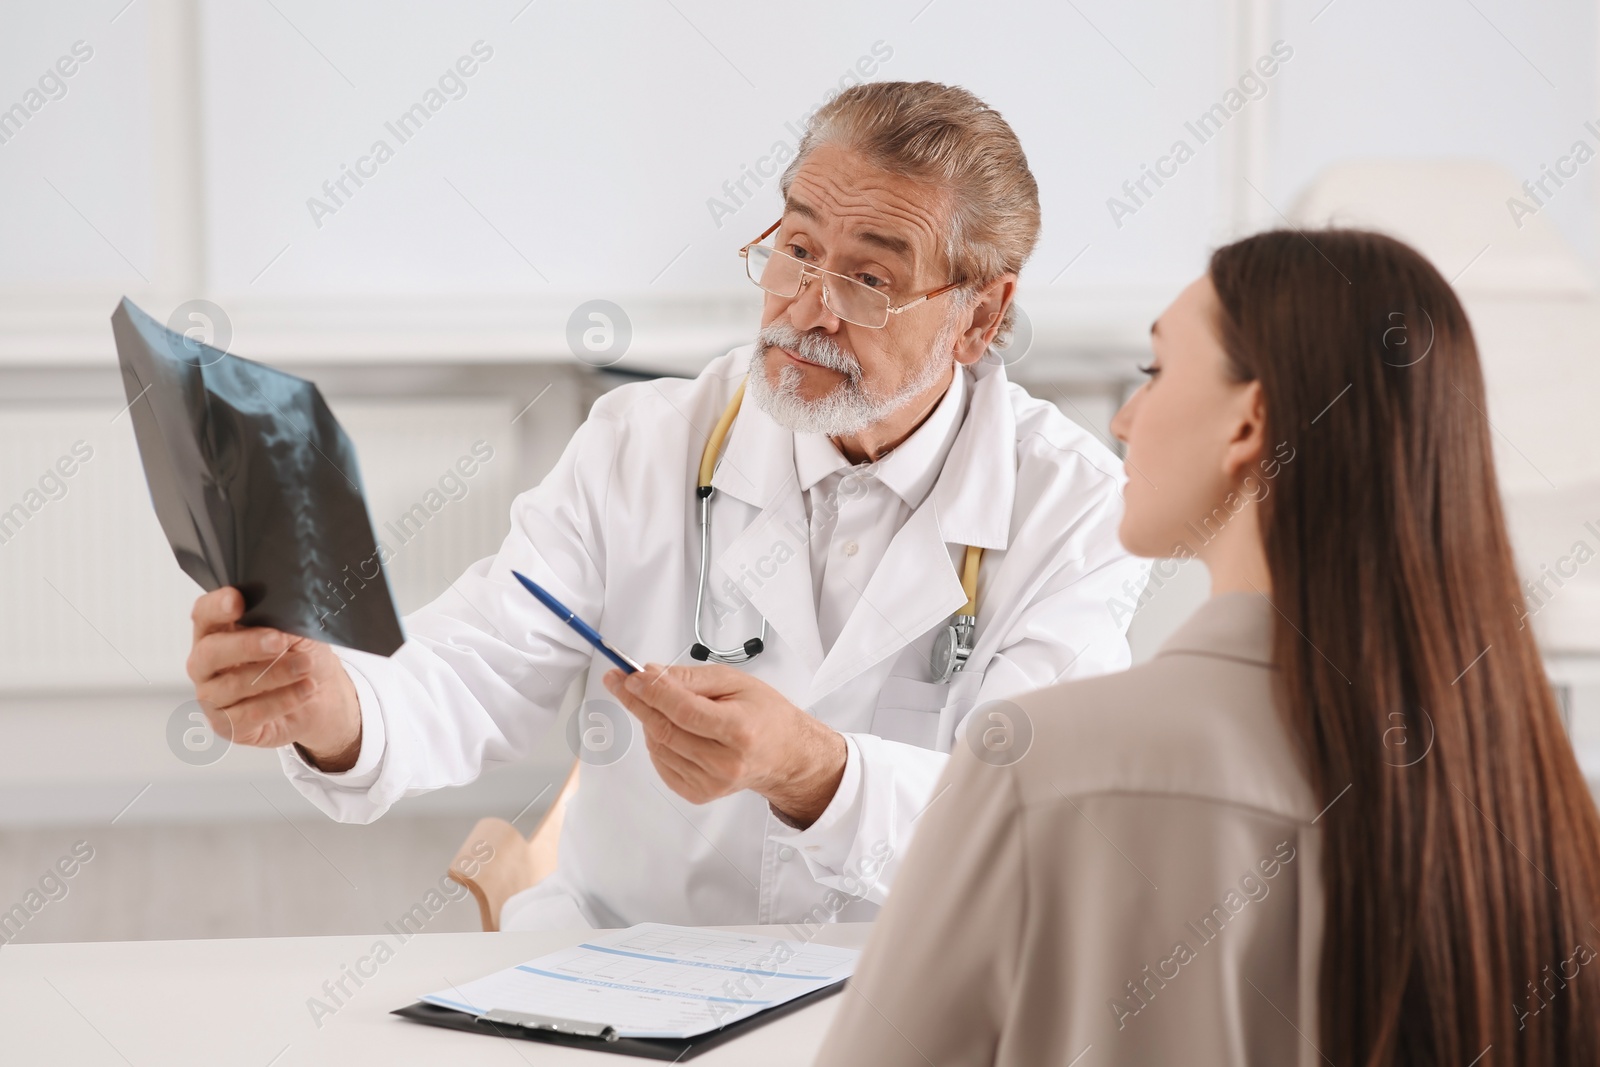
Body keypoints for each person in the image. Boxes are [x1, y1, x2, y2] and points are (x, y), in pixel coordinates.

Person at [181, 81, 1147, 931]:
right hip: (623, 972)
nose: (807, 306)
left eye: (868, 277)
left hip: (903, 997)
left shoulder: (1078, 510)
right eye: (797, 247)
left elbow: (1030, 819)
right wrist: (332, 702)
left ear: (980, 315)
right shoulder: (645, 441)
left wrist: (814, 770)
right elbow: (478, 662)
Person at [815, 228, 1600, 1065]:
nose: (1123, 417)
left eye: (1154, 373)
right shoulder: (1541, 805)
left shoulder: (1034, 768)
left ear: (1249, 422)